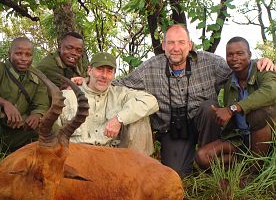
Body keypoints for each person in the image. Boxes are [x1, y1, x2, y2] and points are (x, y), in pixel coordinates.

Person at [113, 24, 275, 177]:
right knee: (176, 173)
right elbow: (121, 83)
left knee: (208, 107)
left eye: (181, 42)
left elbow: (238, 65)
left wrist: (261, 62)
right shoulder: (149, 68)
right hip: (173, 130)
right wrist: (89, 80)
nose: (176, 48)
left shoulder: (209, 62)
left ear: (190, 45)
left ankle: (212, 166)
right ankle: (198, 162)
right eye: (171, 43)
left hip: (205, 122)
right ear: (163, 46)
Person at [195, 37, 276, 169]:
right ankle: (244, 164)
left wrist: (233, 108)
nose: (234, 58)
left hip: (266, 137)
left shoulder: (263, 70)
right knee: (203, 156)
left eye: (240, 53)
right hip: (240, 140)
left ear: (249, 55)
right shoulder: (229, 83)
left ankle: (253, 170)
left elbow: (271, 91)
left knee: (256, 114)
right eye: (230, 55)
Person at [57, 52, 159, 155]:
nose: (104, 76)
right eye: (99, 69)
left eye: (109, 71)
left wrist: (119, 119)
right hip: (77, 155)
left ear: (114, 74)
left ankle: (137, 165)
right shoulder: (67, 96)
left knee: (140, 118)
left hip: (109, 156)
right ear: (89, 70)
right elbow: (54, 135)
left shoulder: (120, 94)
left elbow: (151, 101)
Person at [0, 37, 49, 153]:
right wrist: (5, 104)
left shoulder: (38, 76)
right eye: (18, 54)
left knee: (50, 126)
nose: (23, 59)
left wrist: (36, 115)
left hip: (16, 130)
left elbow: (42, 104)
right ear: (9, 54)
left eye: (28, 55)